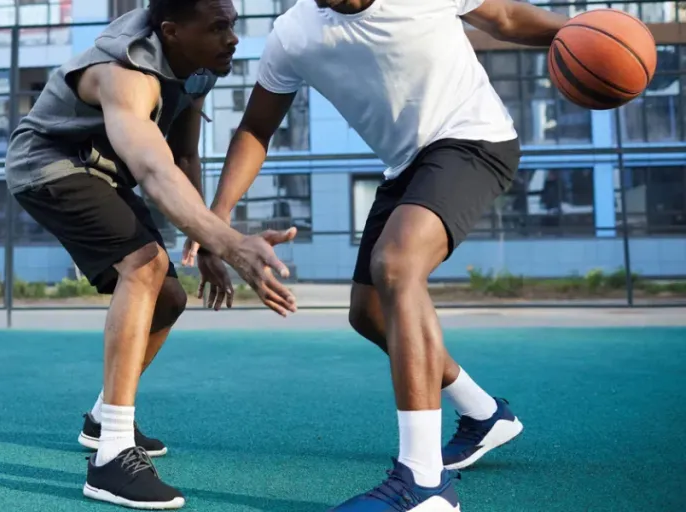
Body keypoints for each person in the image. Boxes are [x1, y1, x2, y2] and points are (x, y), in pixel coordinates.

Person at [183, 0, 568, 509]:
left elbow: (506, 19)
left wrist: (584, 32)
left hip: (474, 140)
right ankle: (483, 414)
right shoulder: (294, 33)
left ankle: (424, 483)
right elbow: (256, 127)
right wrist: (218, 220)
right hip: (405, 165)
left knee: (397, 264)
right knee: (368, 315)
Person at [3, 0, 299, 508]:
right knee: (146, 264)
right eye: (218, 27)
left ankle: (103, 419)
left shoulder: (196, 69)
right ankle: (110, 459)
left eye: (232, 25)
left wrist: (206, 238)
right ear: (171, 32)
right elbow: (155, 172)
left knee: (168, 297)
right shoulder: (126, 73)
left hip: (104, 171)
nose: (232, 38)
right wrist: (232, 246)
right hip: (50, 165)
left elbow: (183, 156)